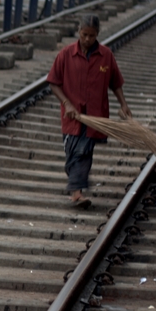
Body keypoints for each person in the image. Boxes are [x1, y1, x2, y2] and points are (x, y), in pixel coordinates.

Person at [47, 14, 132, 208]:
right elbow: (53, 82)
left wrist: (123, 104)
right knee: (72, 151)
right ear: (79, 32)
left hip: (94, 116)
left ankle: (77, 193)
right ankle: (76, 187)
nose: (87, 39)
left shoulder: (106, 55)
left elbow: (116, 83)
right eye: (84, 35)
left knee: (83, 151)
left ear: (97, 34)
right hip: (72, 116)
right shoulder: (66, 54)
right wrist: (67, 103)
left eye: (92, 36)